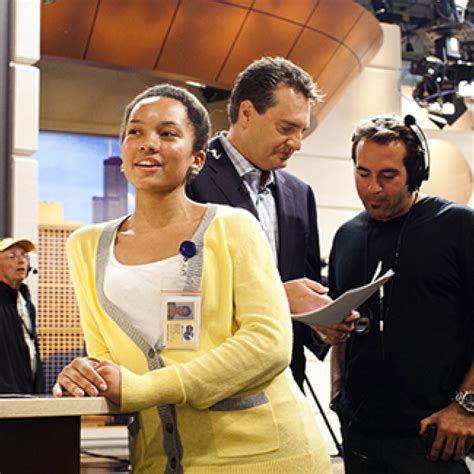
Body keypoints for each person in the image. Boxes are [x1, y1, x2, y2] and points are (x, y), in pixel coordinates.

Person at [53, 84, 332, 473]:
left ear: (196, 158)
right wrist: (86, 375)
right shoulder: (85, 246)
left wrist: (144, 388)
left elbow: (269, 345)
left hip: (265, 456)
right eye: (135, 132)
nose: (148, 143)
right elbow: (106, 355)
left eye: (167, 133)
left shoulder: (233, 227)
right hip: (159, 460)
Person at [187, 56, 356, 390]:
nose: (297, 143)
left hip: (285, 385)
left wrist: (322, 323)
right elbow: (175, 289)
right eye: (286, 128)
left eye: (301, 131)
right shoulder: (189, 179)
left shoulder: (300, 194)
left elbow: (303, 290)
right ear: (246, 113)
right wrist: (277, 297)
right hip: (215, 383)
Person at [329, 115, 474, 473]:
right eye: (363, 173)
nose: (373, 188)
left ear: (416, 173)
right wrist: (338, 389)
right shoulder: (346, 236)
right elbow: (339, 322)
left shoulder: (458, 226)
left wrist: (466, 407)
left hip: (433, 439)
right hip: (360, 436)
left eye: (388, 176)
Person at [0, 238, 44, 394]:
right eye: (12, 256)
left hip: (28, 394)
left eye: (24, 255)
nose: (21, 260)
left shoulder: (26, 303)